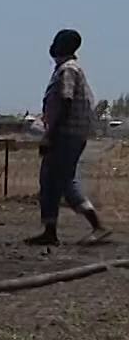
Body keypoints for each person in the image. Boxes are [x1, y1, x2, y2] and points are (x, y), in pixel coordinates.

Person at [30, 28, 110, 246]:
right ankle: (50, 230)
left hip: (65, 134)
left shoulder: (67, 70)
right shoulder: (69, 69)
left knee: (61, 181)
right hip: (70, 133)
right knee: (52, 181)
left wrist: (50, 135)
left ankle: (97, 225)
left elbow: (65, 102)